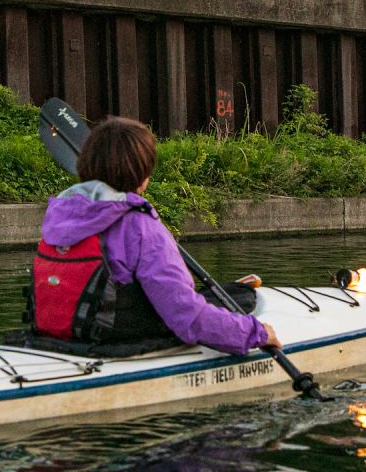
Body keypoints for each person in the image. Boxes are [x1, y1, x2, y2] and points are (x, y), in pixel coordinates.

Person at [29, 116, 281, 356]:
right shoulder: (139, 225)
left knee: (228, 295)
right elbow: (187, 317)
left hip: (61, 337)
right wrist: (255, 333)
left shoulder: (60, 214)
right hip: (114, 340)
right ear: (143, 178)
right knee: (234, 301)